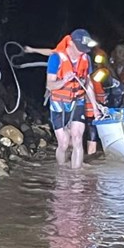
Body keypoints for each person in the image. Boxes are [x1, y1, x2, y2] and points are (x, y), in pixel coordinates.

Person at [45, 29, 101, 169]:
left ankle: (76, 177)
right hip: (59, 103)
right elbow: (50, 85)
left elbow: (88, 84)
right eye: (80, 48)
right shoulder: (56, 58)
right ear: (70, 43)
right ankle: (62, 172)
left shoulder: (86, 59)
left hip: (77, 101)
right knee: (64, 143)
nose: (82, 52)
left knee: (77, 138)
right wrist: (64, 80)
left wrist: (95, 107)